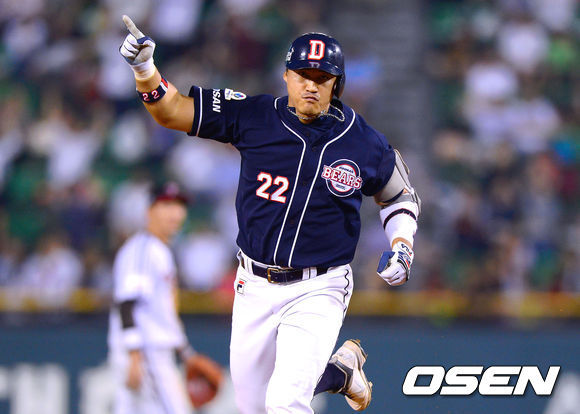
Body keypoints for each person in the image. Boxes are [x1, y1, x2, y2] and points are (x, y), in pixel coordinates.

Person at [120, 16, 421, 413]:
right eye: (303, 75)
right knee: (254, 406)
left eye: (322, 77)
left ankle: (333, 374)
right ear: (286, 76)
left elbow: (399, 196)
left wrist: (402, 244)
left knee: (284, 403)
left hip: (320, 285)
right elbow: (172, 111)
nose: (311, 85)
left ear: (337, 84)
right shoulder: (255, 115)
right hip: (253, 283)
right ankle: (339, 373)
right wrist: (145, 69)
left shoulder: (363, 141)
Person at [107, 182, 223, 414]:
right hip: (145, 352)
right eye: (167, 205)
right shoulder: (142, 250)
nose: (176, 213)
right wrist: (134, 356)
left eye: (180, 206)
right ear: (149, 210)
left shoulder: (158, 249)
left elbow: (162, 313)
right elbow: (127, 304)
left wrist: (186, 354)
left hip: (150, 350)